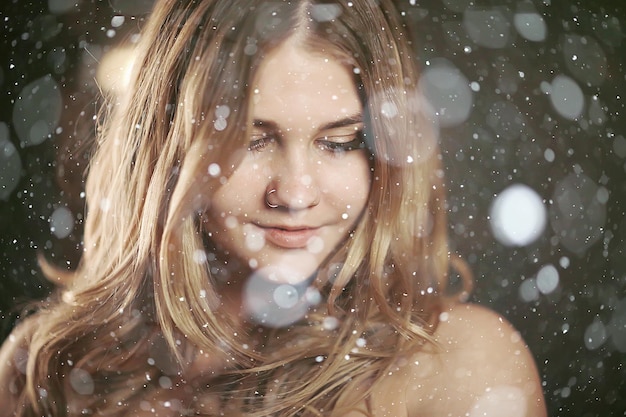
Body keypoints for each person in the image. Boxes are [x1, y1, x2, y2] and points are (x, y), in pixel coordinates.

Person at [0, 0, 547, 415]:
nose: (294, 193)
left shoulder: (456, 364)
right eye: (250, 140)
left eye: (340, 143)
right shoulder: (44, 365)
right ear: (169, 145)